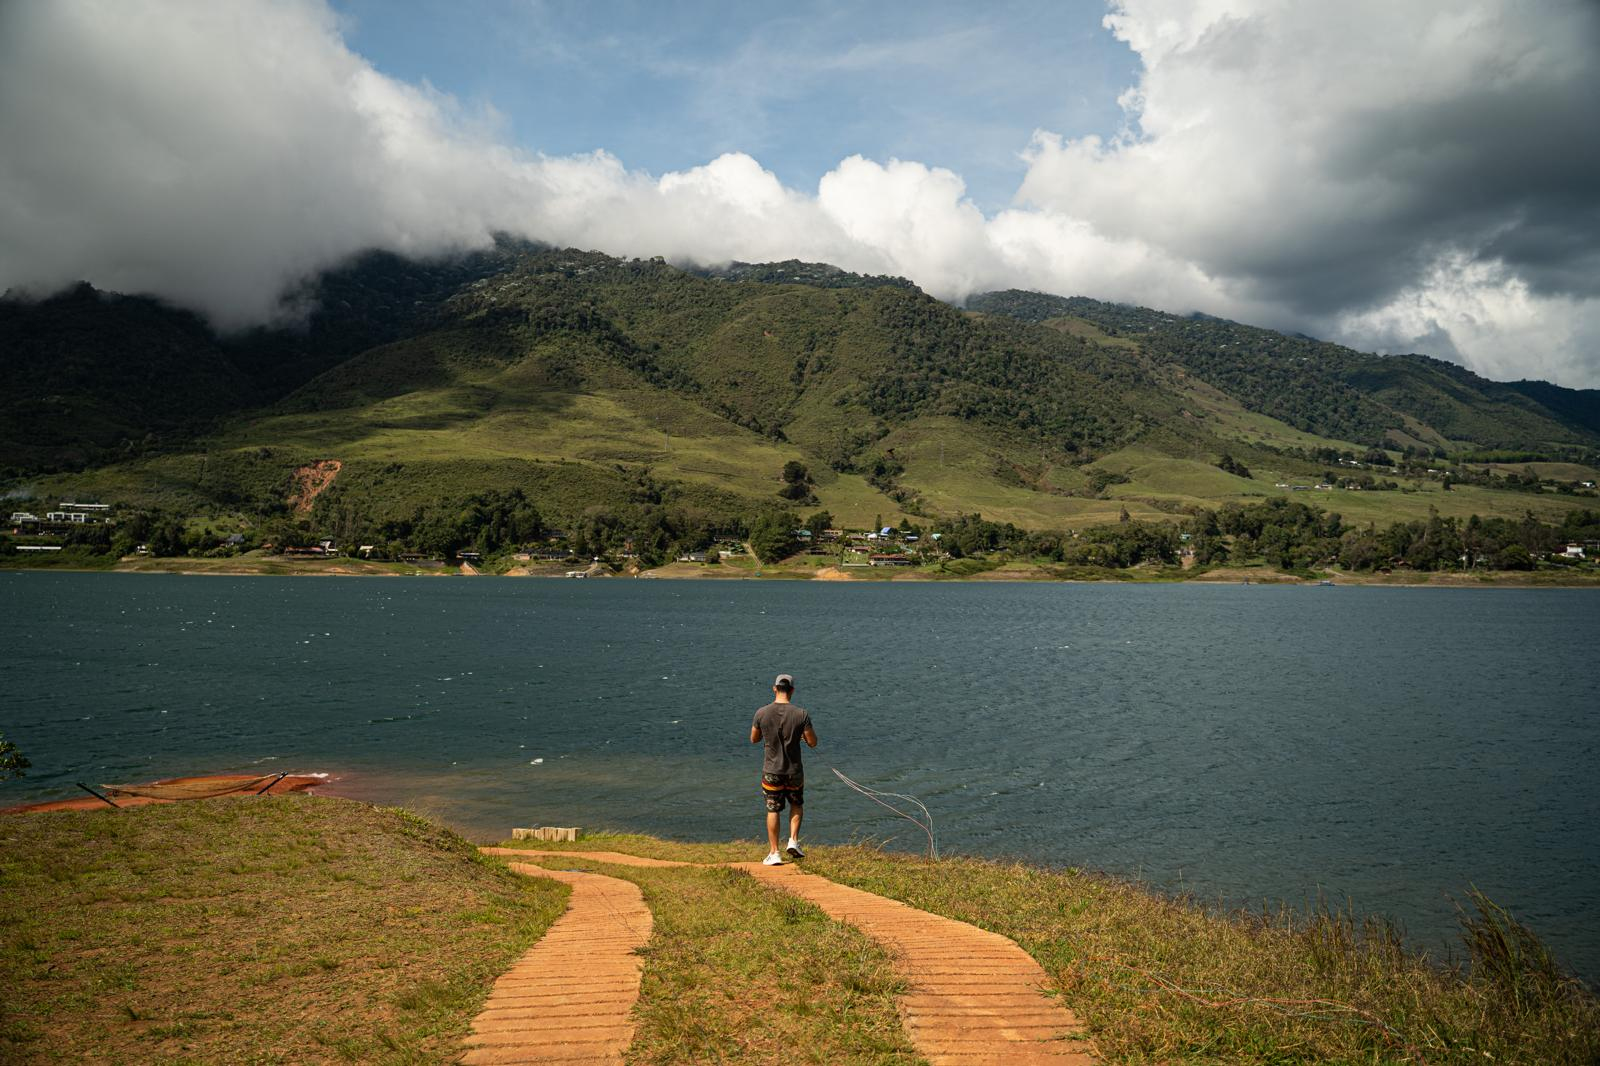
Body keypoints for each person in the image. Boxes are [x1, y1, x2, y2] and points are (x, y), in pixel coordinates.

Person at [749, 672, 817, 865]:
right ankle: (793, 841)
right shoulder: (801, 714)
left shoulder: (761, 713)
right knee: (796, 804)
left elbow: (754, 739)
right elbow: (813, 742)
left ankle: (774, 852)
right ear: (792, 690)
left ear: (774, 688)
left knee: (773, 810)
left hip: (772, 770)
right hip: (794, 771)